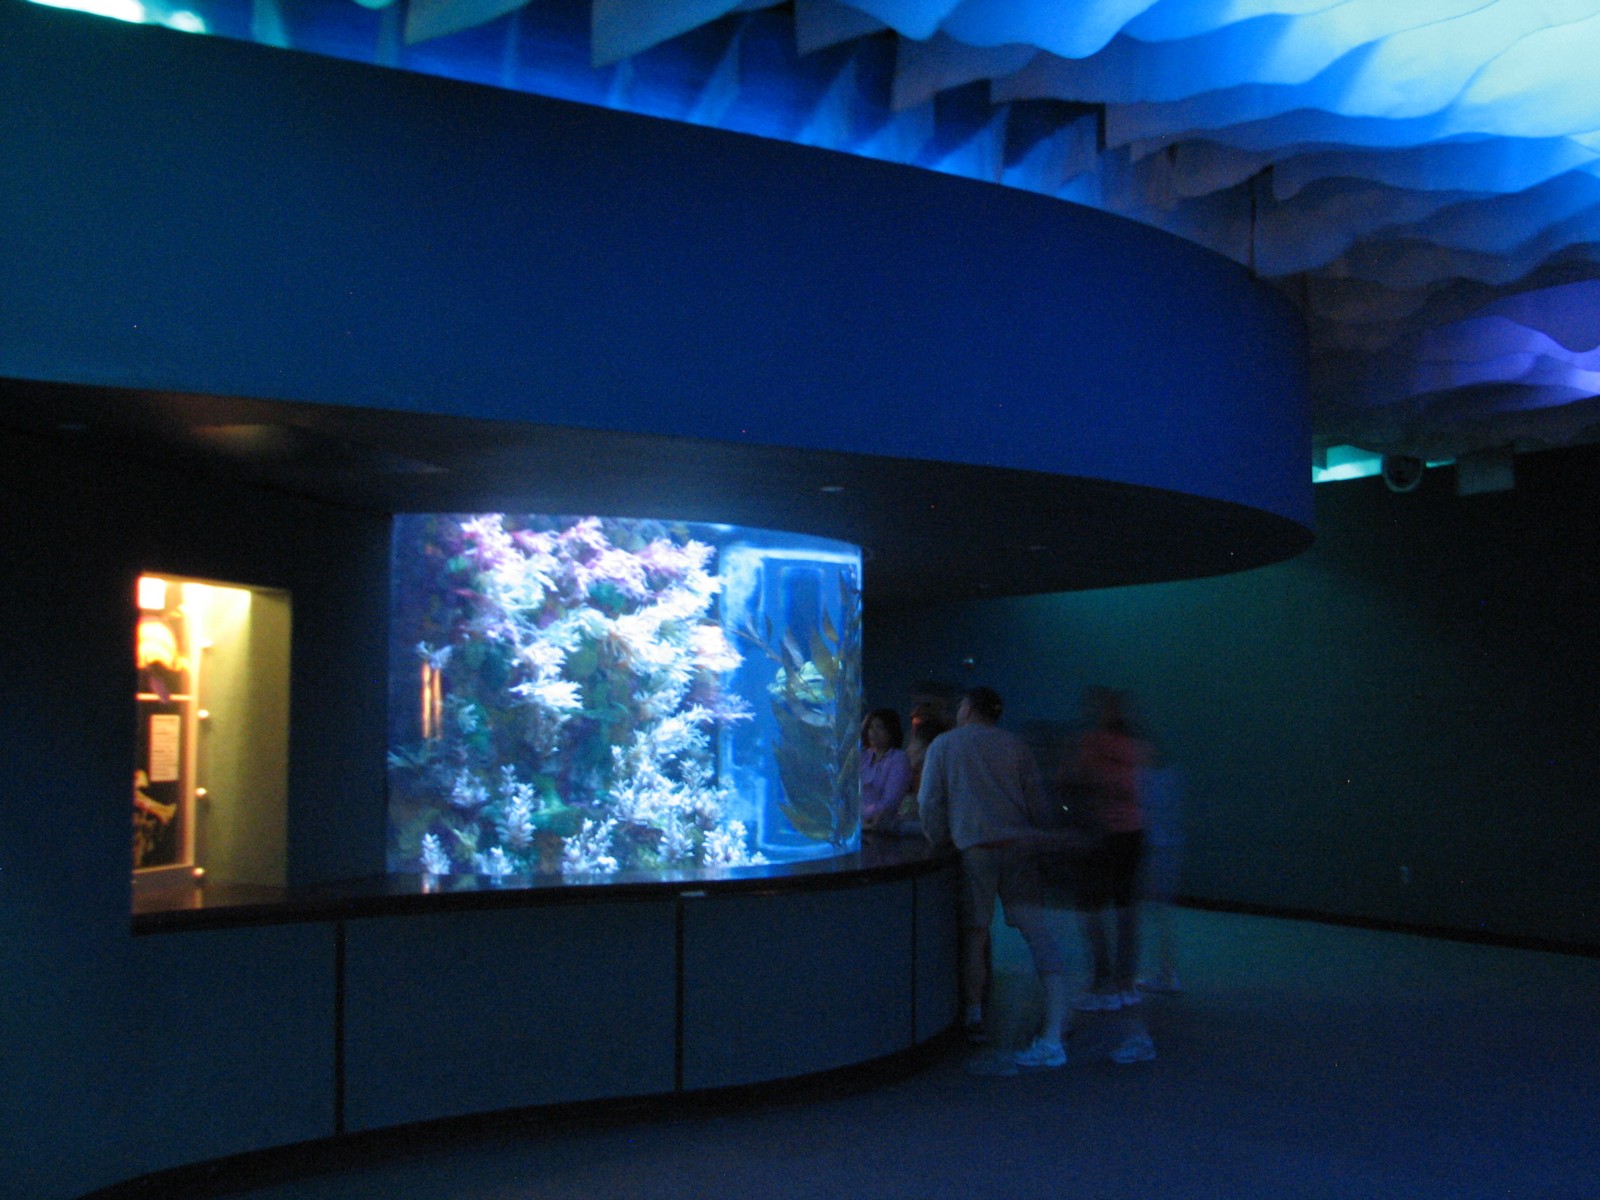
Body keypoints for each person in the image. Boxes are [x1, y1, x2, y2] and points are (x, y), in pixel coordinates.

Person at [918, 686, 1070, 1069]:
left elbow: (928, 802)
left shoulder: (945, 746)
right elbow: (1036, 800)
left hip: (976, 851)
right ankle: (1056, 1016)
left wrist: (942, 841)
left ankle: (973, 1014)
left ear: (967, 708)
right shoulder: (1015, 745)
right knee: (1036, 932)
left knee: (976, 932)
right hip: (1018, 846)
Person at [1068, 687, 1151, 1015]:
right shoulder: (1136, 745)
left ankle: (1103, 983)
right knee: (1126, 908)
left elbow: (1082, 783)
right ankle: (1125, 984)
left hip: (1102, 835)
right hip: (1134, 832)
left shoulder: (1093, 742)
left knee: (1090, 908)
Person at [859, 708, 913, 832]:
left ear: (891, 731)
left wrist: (863, 815)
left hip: (883, 827)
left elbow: (891, 800)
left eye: (879, 727)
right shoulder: (864, 756)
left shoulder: (899, 759)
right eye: (871, 727)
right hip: (860, 825)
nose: (873, 732)